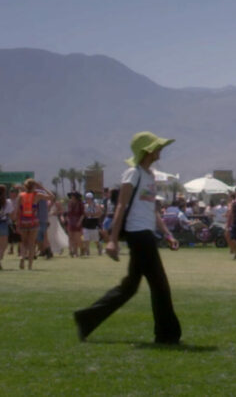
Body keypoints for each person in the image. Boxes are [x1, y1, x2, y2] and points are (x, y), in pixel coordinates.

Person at [74, 131, 181, 345]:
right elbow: (121, 205)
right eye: (158, 147)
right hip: (137, 235)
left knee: (130, 287)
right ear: (148, 150)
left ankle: (86, 318)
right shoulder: (133, 174)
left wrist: (167, 234)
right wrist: (112, 239)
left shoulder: (149, 176)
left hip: (147, 234)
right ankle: (167, 334)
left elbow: (152, 211)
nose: (161, 150)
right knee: (159, 285)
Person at [16, 178, 45, 270]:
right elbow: (52, 196)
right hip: (33, 221)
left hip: (23, 221)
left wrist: (17, 223)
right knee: (32, 244)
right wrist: (41, 187)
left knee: (24, 243)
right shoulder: (37, 195)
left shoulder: (21, 196)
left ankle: (22, 257)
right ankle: (30, 266)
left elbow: (18, 211)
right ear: (34, 186)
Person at [83, 192, 103, 256]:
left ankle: (99, 247)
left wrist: (92, 215)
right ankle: (87, 252)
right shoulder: (85, 206)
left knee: (96, 239)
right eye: (86, 198)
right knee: (86, 238)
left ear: (91, 199)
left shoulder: (96, 205)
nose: (87, 200)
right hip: (87, 223)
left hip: (94, 223)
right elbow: (85, 214)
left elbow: (100, 213)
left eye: (88, 198)